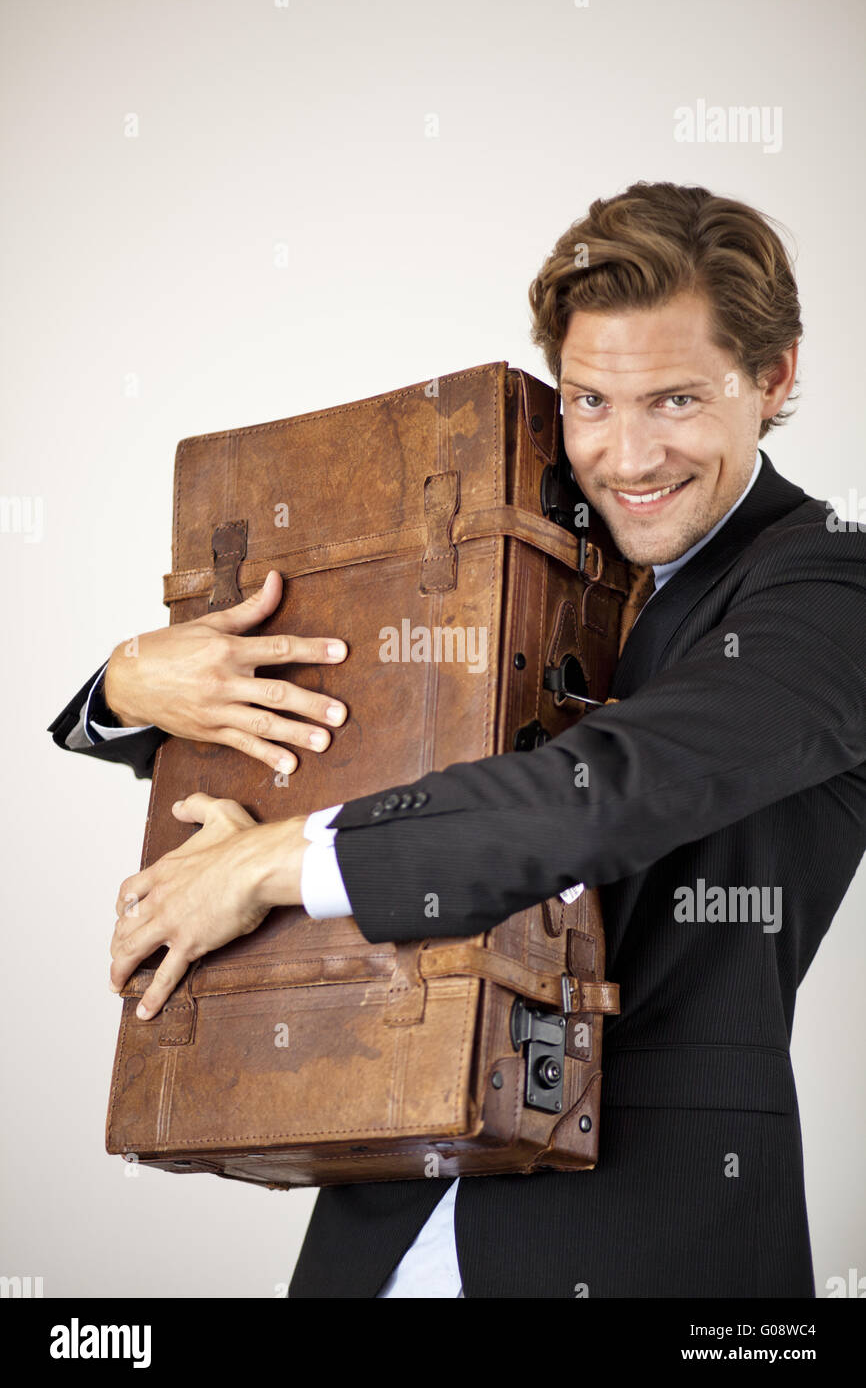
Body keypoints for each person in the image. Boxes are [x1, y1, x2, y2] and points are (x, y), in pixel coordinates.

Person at [49, 182, 866, 1298]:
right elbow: (353, 736)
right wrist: (137, 683)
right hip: (376, 1220)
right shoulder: (534, 543)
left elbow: (594, 794)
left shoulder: (827, 584)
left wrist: (273, 861)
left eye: (673, 400)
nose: (624, 458)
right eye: (587, 401)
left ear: (769, 379)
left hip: (645, 1240)